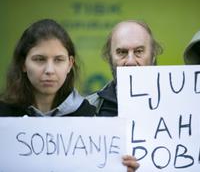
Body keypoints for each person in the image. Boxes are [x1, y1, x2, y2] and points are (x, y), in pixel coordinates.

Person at [0, 19, 138, 171]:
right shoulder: (3, 114)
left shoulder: (89, 115)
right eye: (39, 59)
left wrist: (120, 167)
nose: (50, 70)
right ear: (23, 64)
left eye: (59, 60)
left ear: (70, 64)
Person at [87, 20, 163, 116]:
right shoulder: (87, 109)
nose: (130, 62)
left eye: (139, 51)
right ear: (109, 57)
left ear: (153, 56)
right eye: (122, 52)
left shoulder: (177, 104)